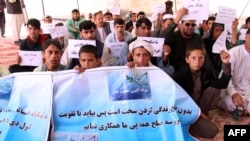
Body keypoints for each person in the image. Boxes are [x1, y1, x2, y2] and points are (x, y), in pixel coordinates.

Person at [173, 43, 231, 138]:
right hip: (185, 111)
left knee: (215, 89)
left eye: (201, 58)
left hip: (197, 106)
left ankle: (198, 119)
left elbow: (222, 84)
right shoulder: (181, 76)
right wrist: (202, 115)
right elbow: (184, 103)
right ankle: (187, 127)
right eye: (194, 58)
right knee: (212, 131)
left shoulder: (204, 72)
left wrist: (226, 63)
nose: (197, 62)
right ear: (187, 59)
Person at [218, 29, 250, 116]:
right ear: (246, 37)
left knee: (242, 103)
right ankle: (243, 109)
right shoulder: (233, 53)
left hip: (248, 90)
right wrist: (234, 93)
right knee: (231, 102)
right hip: (231, 89)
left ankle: (243, 109)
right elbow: (226, 77)